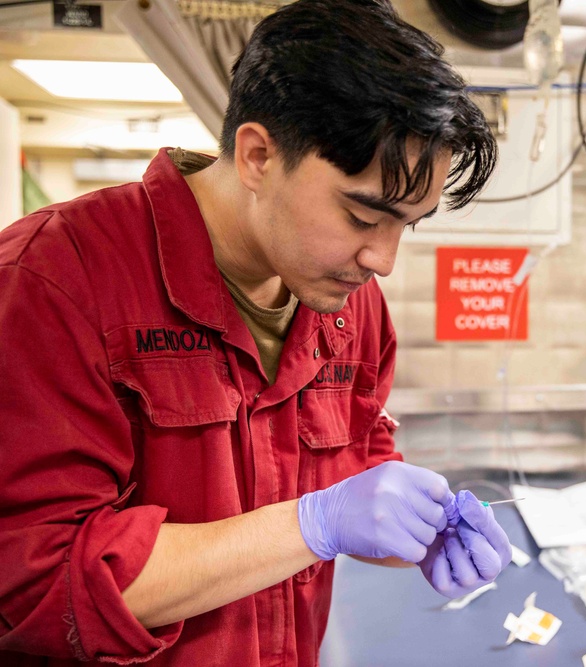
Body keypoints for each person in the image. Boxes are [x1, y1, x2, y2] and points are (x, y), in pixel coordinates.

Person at [0, 0, 511, 664]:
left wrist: (414, 530)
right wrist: (315, 522)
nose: (382, 259)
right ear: (258, 156)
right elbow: (38, 579)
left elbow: (359, 468)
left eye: (406, 225)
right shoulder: (54, 280)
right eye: (363, 216)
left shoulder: (350, 305)